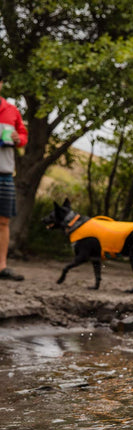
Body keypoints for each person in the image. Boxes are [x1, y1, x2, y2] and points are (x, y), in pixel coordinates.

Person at [0, 68, 28, 282]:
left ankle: (1, 267)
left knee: (3, 222)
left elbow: (23, 135)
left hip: (5, 172)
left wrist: (19, 138)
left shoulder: (12, 110)